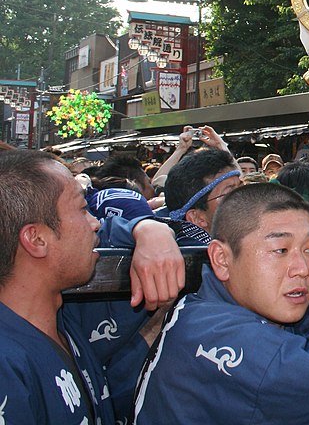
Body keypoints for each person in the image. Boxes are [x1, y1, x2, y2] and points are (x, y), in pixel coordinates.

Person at [133, 183, 309, 424]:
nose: (303, 268)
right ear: (221, 259)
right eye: (280, 250)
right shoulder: (212, 331)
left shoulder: (223, 310)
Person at [0, 150, 185, 423]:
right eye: (83, 209)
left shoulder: (62, 320)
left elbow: (112, 228)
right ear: (36, 239)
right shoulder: (7, 364)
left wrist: (149, 228)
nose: (95, 223)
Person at [161, 148, 241, 245]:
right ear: (198, 218)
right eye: (230, 194)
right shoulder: (197, 257)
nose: (245, 199)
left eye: (242, 188)